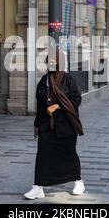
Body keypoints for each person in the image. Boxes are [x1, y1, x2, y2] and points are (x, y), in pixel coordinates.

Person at [24, 51, 85, 200]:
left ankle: (78, 182)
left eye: (54, 61)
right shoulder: (44, 80)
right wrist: (37, 126)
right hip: (47, 126)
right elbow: (40, 105)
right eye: (49, 61)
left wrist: (57, 106)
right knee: (43, 156)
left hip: (66, 127)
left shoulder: (68, 80)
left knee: (69, 155)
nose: (51, 63)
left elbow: (76, 100)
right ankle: (38, 187)